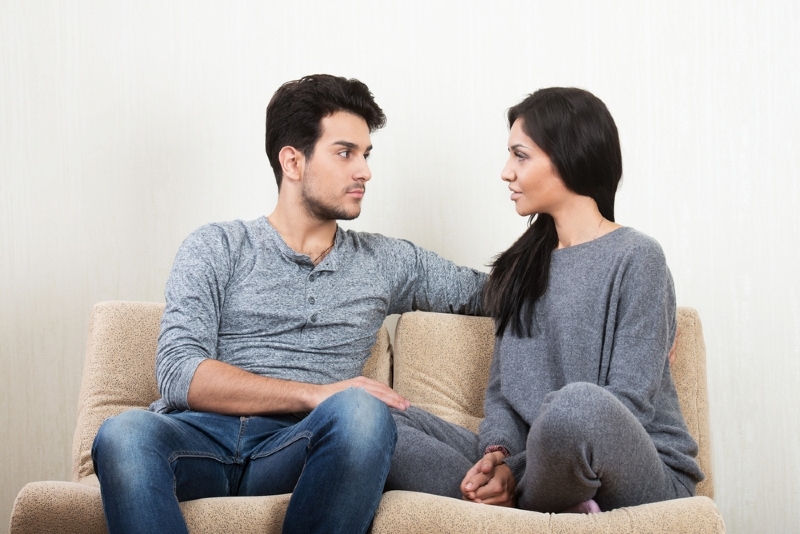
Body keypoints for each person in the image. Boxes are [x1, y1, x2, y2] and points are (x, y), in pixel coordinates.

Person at [91, 74, 486, 534]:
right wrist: (314, 393)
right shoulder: (217, 246)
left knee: (360, 412)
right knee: (123, 432)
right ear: (293, 162)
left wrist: (575, 230)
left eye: (366, 154)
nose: (365, 171)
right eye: (345, 153)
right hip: (198, 440)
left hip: (294, 448)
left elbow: (487, 292)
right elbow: (180, 371)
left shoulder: (385, 261)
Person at [386, 87, 703, 513]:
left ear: (568, 157)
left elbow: (629, 403)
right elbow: (501, 396)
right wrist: (497, 457)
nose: (505, 172)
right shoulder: (521, 267)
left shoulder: (638, 257)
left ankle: (515, 499)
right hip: (536, 462)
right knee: (375, 419)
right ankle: (527, 500)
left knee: (577, 407)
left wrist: (515, 471)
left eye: (520, 155)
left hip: (635, 465)